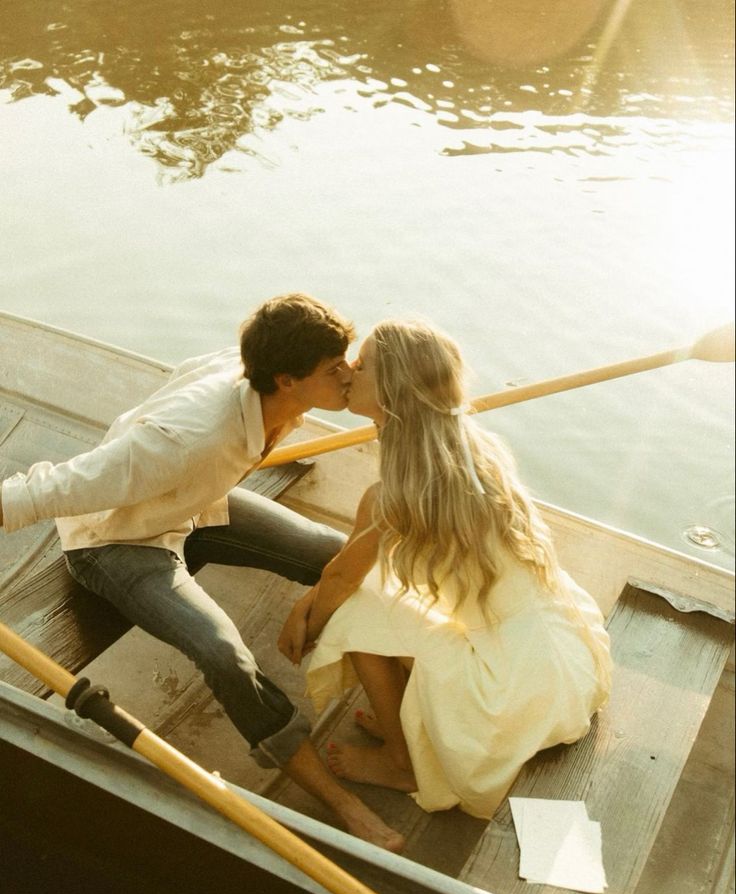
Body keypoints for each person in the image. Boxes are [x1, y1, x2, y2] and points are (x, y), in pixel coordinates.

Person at [0, 293, 404, 851]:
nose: (349, 375)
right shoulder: (183, 440)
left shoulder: (263, 382)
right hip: (120, 541)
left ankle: (398, 729)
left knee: (336, 553)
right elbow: (62, 486)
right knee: (223, 652)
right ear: (286, 380)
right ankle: (339, 800)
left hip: (195, 502)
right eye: (335, 369)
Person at [278, 319, 612, 819]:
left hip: (506, 697)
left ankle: (401, 761)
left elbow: (343, 580)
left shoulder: (392, 496)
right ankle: (417, 722)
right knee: (383, 594)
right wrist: (317, 595)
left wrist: (304, 619)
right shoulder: (479, 451)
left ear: (391, 390)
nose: (349, 369)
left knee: (357, 615)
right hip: (561, 669)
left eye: (362, 364)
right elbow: (346, 568)